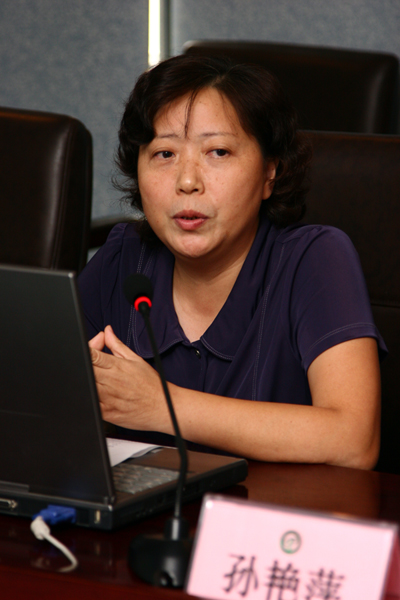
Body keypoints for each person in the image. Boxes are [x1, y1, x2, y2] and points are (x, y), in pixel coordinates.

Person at [79, 54, 386, 469]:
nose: (188, 181)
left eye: (218, 152)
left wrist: (162, 405)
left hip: (276, 511)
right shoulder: (122, 258)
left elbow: (354, 441)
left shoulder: (315, 258)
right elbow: (36, 397)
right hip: (144, 509)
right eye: (164, 154)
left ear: (269, 173)